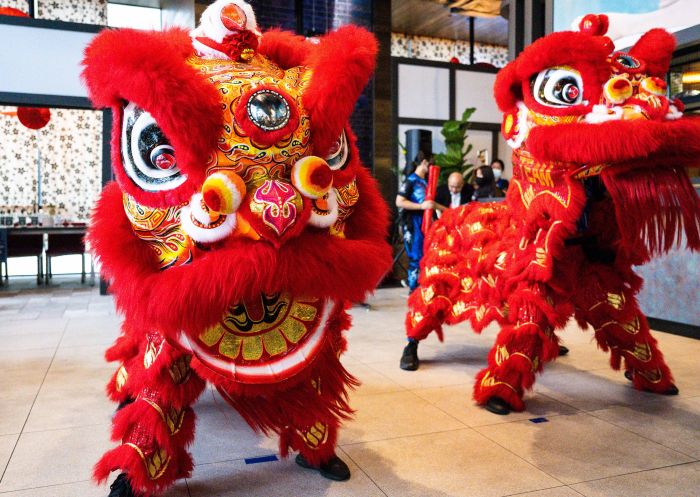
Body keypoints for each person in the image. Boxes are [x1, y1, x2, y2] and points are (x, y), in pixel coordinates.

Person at [396, 152, 436, 292]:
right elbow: (399, 201)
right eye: (430, 163)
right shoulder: (411, 180)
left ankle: (422, 288)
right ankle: (413, 289)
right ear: (424, 162)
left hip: (425, 221)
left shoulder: (426, 181)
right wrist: (421, 206)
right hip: (413, 222)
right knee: (415, 255)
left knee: (425, 254)